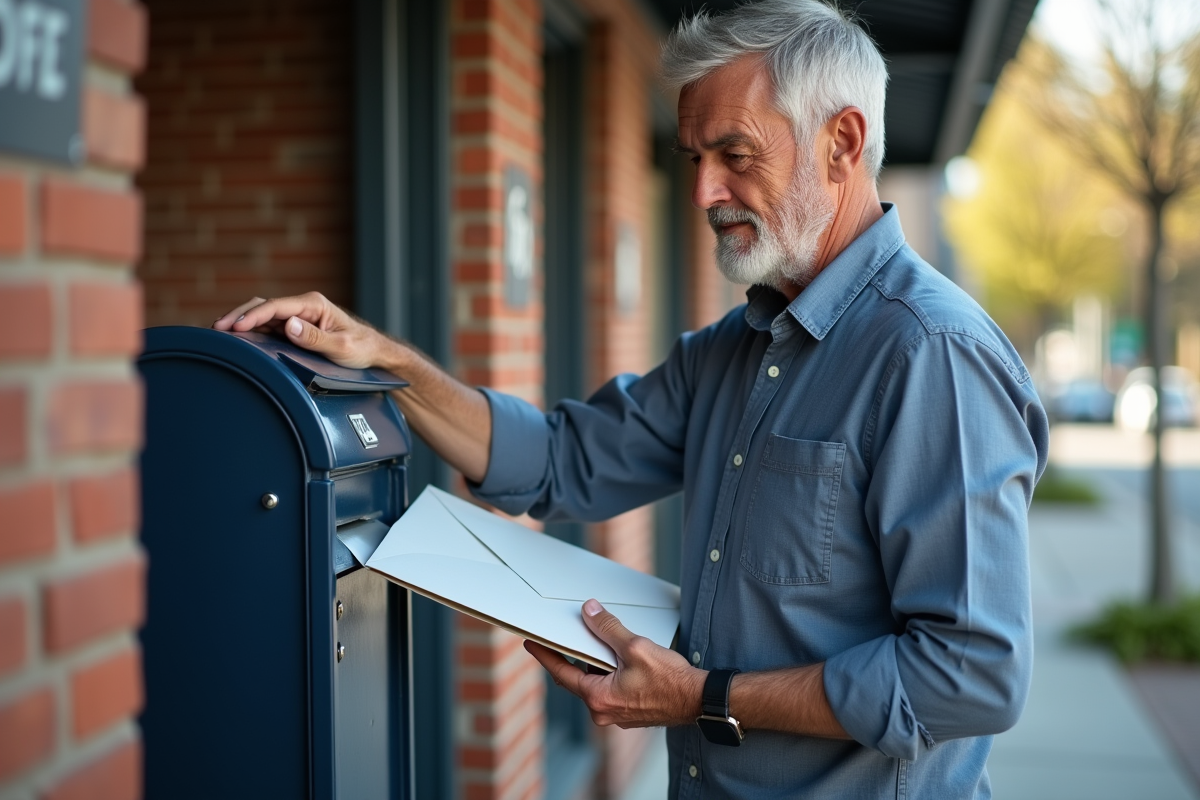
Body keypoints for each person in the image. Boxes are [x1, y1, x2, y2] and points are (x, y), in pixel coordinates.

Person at [215, 1, 1048, 796]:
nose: (703, 193)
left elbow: (969, 676)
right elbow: (557, 461)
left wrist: (704, 695)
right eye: (695, 159)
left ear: (842, 142)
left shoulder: (931, 354)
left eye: (736, 154)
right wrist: (387, 361)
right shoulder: (733, 351)